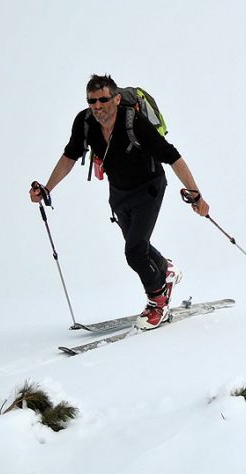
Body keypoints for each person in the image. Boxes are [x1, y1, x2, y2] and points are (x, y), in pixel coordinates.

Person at [29, 74, 209, 330]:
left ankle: (158, 302)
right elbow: (70, 156)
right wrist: (47, 188)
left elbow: (172, 156)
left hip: (149, 188)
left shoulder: (133, 121)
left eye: (103, 99)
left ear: (115, 98)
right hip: (119, 193)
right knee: (138, 246)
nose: (97, 106)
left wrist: (196, 194)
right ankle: (165, 270)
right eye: (92, 101)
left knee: (134, 252)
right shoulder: (85, 122)